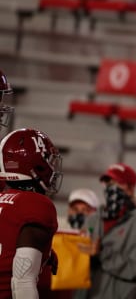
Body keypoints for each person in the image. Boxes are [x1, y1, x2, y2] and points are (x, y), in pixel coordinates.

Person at [75, 163, 136, 299]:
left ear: (130, 189)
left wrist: (102, 253)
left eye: (116, 183)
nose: (110, 188)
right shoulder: (94, 218)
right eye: (107, 183)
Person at [0, 128, 63, 298]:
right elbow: (22, 281)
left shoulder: (3, 198)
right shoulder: (36, 204)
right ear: (35, 164)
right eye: (48, 160)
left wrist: (45, 251)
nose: (52, 166)